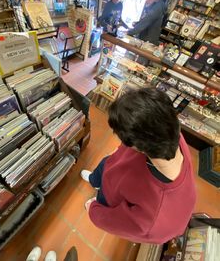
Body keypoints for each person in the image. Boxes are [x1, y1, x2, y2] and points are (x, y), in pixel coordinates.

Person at [81, 86, 196, 244]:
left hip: (111, 194)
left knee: (100, 196)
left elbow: (113, 221)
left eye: (124, 140)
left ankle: (97, 191)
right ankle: (94, 180)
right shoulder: (168, 132)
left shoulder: (152, 218)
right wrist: (118, 152)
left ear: (138, 146)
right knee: (101, 171)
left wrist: (93, 209)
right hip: (113, 166)